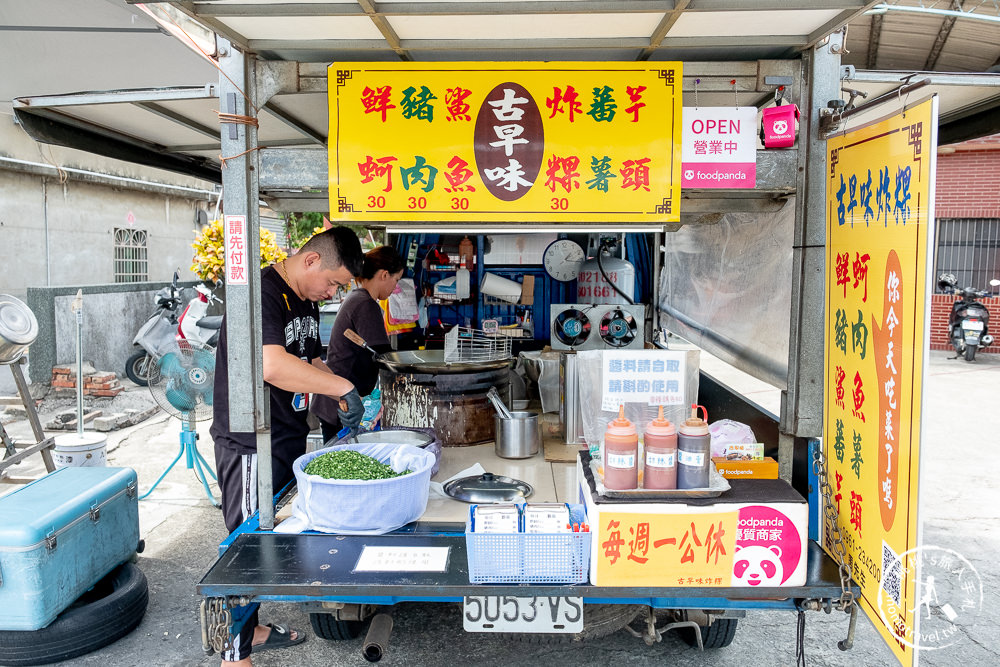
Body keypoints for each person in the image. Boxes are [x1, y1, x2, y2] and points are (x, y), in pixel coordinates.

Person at [210, 226, 365, 667]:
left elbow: (310, 361)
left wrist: (340, 397)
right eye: (333, 283)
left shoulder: (304, 300)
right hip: (249, 442)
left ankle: (253, 628)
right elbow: (273, 365)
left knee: (268, 539)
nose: (332, 292)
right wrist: (342, 386)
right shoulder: (260, 293)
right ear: (311, 260)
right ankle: (234, 656)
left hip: (286, 434)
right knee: (244, 548)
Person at [312, 246, 404, 442]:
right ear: (385, 275)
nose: (395, 288)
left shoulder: (358, 298)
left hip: (338, 397)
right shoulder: (365, 304)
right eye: (396, 280)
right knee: (342, 462)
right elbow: (385, 357)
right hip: (342, 401)